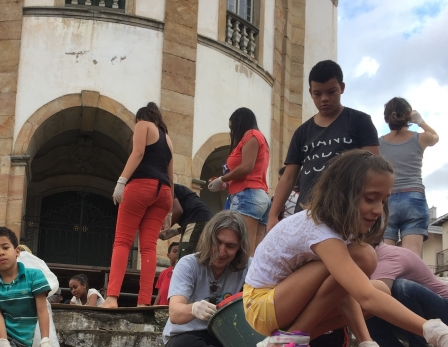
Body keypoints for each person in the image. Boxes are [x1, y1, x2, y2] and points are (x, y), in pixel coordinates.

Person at [243, 150, 448, 347]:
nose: (377, 210)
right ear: (342, 195)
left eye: (383, 201)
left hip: (283, 305)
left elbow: (347, 293)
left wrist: (368, 345)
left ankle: (288, 341)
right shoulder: (319, 230)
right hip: (262, 305)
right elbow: (363, 295)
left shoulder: (342, 234)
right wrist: (438, 333)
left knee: (379, 285)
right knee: (363, 259)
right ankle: (287, 343)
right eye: (370, 198)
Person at [266, 60, 380, 232]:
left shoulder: (359, 121)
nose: (324, 98)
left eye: (331, 92)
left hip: (346, 213)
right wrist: (273, 216)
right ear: (311, 92)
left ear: (342, 87)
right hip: (307, 215)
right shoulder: (302, 132)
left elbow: (374, 168)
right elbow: (288, 177)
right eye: (317, 94)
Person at [103, 102, 173, 308]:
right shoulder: (168, 139)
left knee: (122, 242)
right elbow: (170, 174)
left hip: (141, 186)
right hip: (164, 192)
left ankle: (112, 297)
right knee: (148, 248)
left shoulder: (143, 124)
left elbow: (138, 153)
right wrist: (169, 210)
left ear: (142, 116)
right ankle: (144, 302)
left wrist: (121, 181)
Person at [163, 211, 252, 347]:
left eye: (230, 246)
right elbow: (175, 313)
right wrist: (194, 308)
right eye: (216, 243)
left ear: (240, 248)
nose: (222, 252)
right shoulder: (188, 264)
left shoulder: (249, 267)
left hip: (226, 337)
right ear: (207, 239)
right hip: (188, 336)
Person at [366, 243, 448, 347]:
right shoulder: (367, 262)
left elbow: (376, 296)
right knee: (364, 300)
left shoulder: (387, 258)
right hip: (415, 323)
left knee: (400, 288)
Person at [379, 97, 439, 257]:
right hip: (413, 197)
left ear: (386, 119)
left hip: (386, 200)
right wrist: (420, 121)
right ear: (408, 115)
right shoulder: (420, 138)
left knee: (385, 256)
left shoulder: (378, 145)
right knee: (411, 256)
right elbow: (435, 136)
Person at [207, 108, 270, 254]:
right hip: (259, 196)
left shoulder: (251, 135)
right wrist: (225, 183)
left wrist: (223, 178)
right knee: (254, 254)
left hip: (248, 196)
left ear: (239, 122)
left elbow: (246, 167)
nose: (232, 132)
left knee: (242, 249)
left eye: (232, 127)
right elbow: (251, 171)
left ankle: (240, 278)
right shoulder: (260, 138)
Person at [159, 184, 213, 260]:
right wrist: (175, 231)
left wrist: (163, 230)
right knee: (197, 258)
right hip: (203, 222)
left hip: (197, 220)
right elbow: (196, 223)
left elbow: (178, 211)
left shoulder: (164, 187)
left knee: (184, 257)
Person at [154, 242, 179, 306]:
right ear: (168, 255)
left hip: (175, 307)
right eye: (175, 251)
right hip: (161, 307)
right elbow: (159, 294)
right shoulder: (163, 273)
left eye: (179, 251)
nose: (177, 253)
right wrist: (154, 307)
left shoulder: (184, 271)